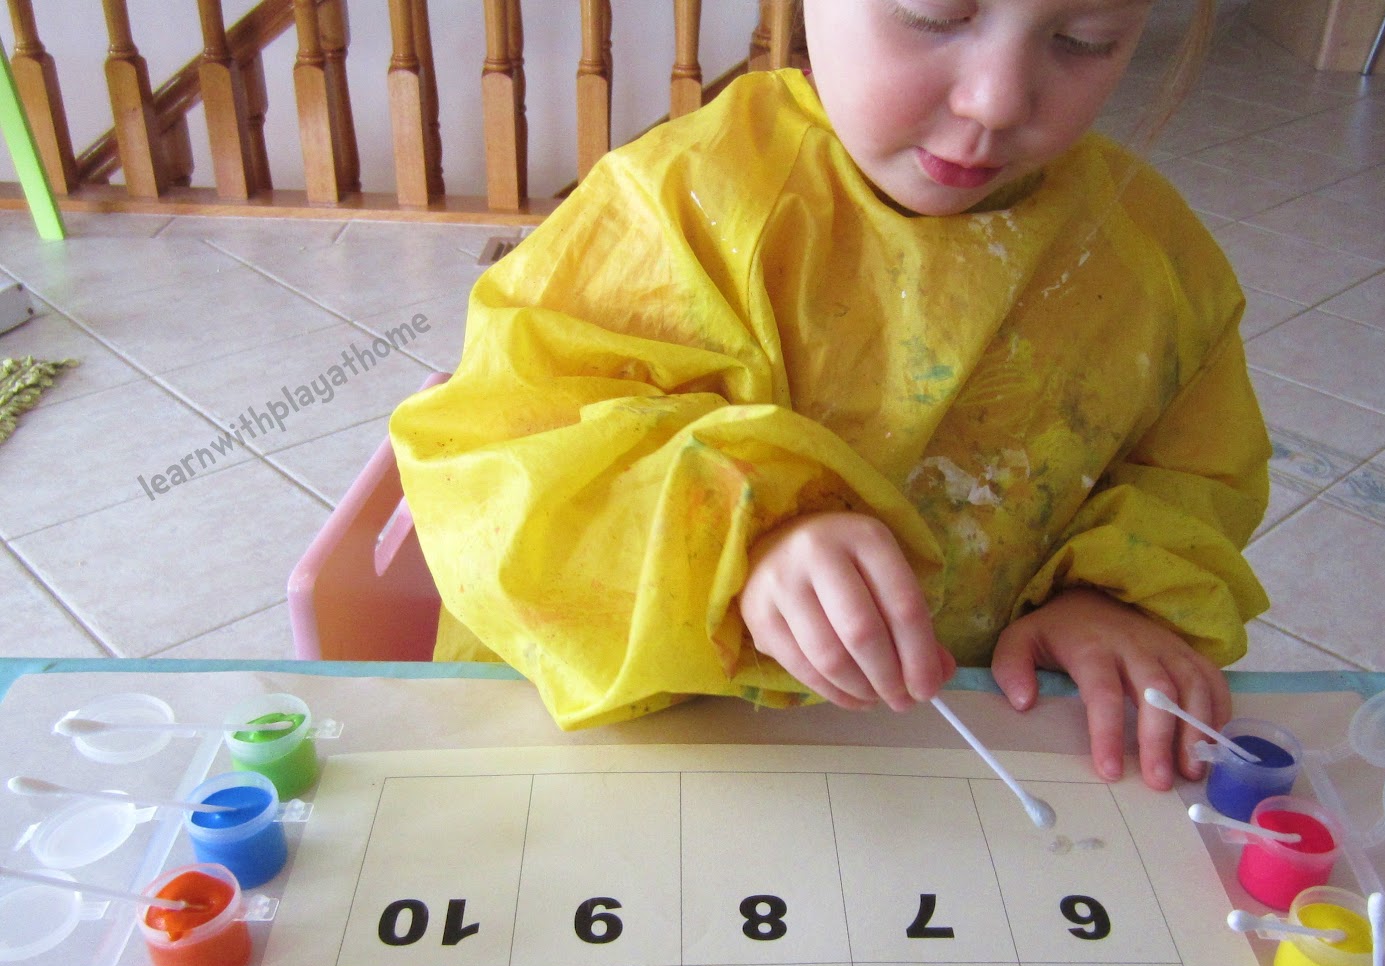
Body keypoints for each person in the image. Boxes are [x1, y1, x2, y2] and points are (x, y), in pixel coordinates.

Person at [391, 0, 1270, 792]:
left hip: (949, 778)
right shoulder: (676, 209)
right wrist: (733, 540)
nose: (999, 99)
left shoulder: (1153, 262)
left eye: (1085, 41)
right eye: (933, 15)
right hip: (672, 765)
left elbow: (1189, 473)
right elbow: (501, 476)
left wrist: (1114, 597)